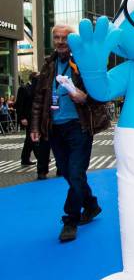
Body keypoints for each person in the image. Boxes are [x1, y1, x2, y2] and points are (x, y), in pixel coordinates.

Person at [31, 24, 110, 242]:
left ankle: (70, 219)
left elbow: (100, 93)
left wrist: (85, 97)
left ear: (72, 39)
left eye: (64, 37)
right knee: (67, 172)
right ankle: (91, 205)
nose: (60, 41)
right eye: (56, 37)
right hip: (55, 129)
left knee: (75, 173)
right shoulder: (48, 65)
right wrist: (36, 127)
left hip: (79, 127)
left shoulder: (82, 63)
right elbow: (39, 99)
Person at [15, 73, 38, 165]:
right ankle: (39, 157)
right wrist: (22, 118)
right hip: (27, 118)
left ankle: (25, 158)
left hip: (33, 118)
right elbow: (19, 105)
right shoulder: (23, 88)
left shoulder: (35, 88)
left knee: (29, 138)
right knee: (31, 138)